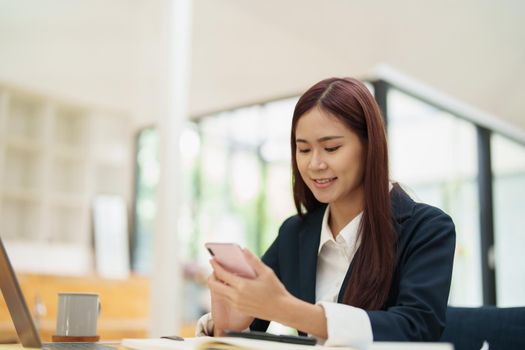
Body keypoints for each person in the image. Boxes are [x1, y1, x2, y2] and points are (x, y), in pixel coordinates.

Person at [196, 77, 456, 347]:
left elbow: (416, 328)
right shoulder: (295, 233)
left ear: (370, 147)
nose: (314, 164)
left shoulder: (427, 228)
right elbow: (254, 320)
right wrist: (227, 323)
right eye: (304, 149)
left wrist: (289, 310)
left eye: (331, 148)